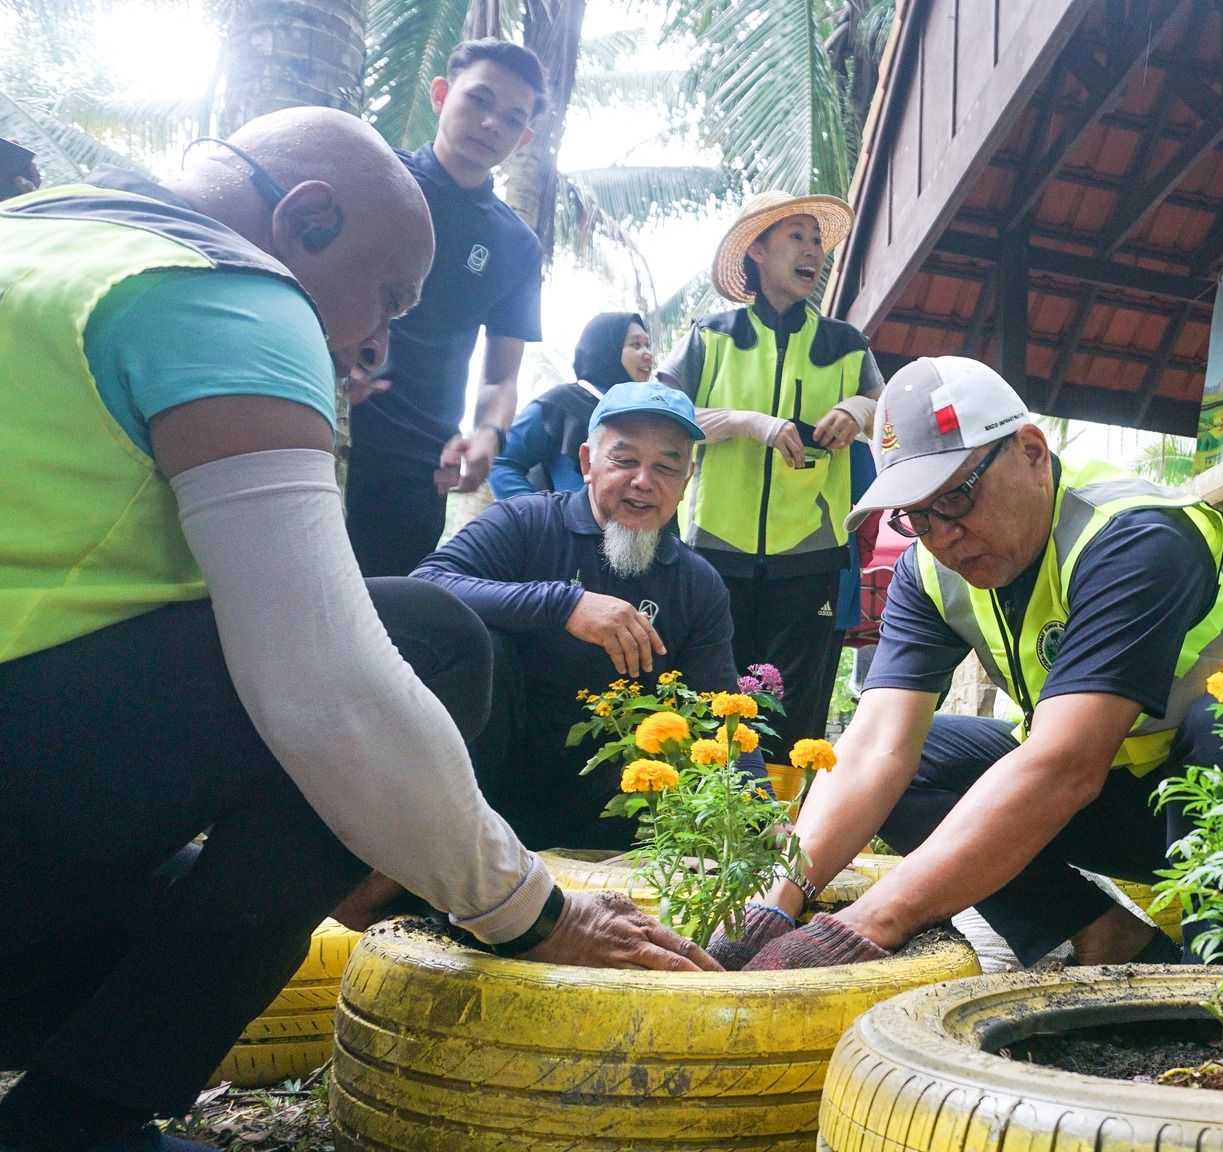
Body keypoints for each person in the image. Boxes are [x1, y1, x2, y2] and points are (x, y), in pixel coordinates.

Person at [0, 108, 714, 1152]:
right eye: (385, 299)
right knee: (424, 638)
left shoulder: (43, 233)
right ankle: (74, 1128)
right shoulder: (221, 289)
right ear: (308, 219)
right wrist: (532, 913)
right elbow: (325, 674)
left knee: (180, 913)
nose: (379, 342)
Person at [695, 355, 1223, 974]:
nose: (942, 536)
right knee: (916, 760)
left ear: (1032, 452)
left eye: (956, 496)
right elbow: (874, 747)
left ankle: (1222, 979)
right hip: (1108, 803)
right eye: (916, 515)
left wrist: (864, 923)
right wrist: (776, 904)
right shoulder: (928, 568)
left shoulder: (1134, 537)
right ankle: (1107, 934)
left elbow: (1065, 767)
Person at [417, 381, 761, 851]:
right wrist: (562, 604)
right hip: (486, 795)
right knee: (476, 640)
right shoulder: (524, 524)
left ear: (686, 481)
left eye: (666, 466)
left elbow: (718, 704)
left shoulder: (697, 584)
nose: (644, 481)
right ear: (586, 464)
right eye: (624, 460)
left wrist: (757, 811)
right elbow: (426, 588)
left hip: (613, 820)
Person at [656, 190, 885, 766]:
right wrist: (747, 423)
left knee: (796, 710)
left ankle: (783, 838)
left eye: (817, 240)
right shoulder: (711, 336)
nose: (813, 251)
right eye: (797, 237)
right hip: (715, 551)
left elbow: (893, 419)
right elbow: (659, 415)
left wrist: (858, 410)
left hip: (813, 555)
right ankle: (702, 834)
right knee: (710, 699)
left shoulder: (847, 345)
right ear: (756, 249)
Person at [346, 38, 548, 577]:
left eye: (511, 119)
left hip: (416, 468)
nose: (490, 124)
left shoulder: (516, 245)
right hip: (313, 430)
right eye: (478, 100)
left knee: (382, 626)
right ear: (440, 94)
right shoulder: (368, 174)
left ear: (523, 137)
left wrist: (489, 434)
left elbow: (500, 379)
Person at [489, 311, 655, 497]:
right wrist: (537, 517)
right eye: (635, 344)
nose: (648, 354)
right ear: (606, 349)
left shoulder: (648, 412)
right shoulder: (562, 404)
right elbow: (500, 461)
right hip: (572, 526)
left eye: (647, 345)